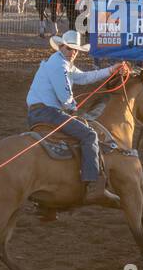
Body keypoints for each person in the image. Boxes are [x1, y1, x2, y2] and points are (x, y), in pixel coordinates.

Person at [25, 31, 129, 207]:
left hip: (40, 112)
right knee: (89, 135)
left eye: (75, 50)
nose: (73, 52)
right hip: (48, 112)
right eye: (69, 48)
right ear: (61, 47)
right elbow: (65, 97)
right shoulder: (60, 66)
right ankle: (93, 185)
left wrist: (111, 70)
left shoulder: (61, 62)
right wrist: (73, 107)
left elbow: (84, 77)